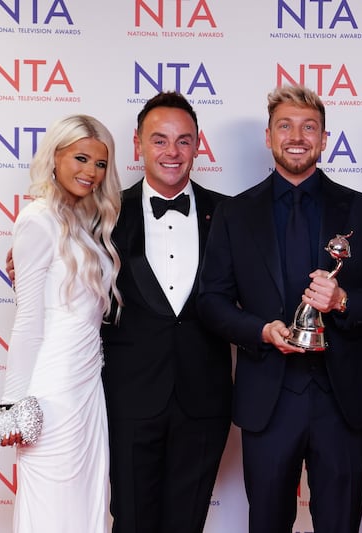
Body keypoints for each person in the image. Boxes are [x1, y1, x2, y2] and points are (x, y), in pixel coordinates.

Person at [197, 85, 362, 533]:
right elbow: (211, 301)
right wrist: (261, 331)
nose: (297, 136)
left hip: (340, 398)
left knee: (341, 524)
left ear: (325, 139)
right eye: (285, 126)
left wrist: (343, 300)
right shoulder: (233, 213)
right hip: (268, 396)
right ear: (268, 137)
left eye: (310, 127)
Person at [100, 91, 232, 532]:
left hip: (205, 399)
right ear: (138, 145)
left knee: (187, 523)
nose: (171, 152)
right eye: (159, 140)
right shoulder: (103, 214)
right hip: (129, 398)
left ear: (198, 145)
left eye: (183, 141)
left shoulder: (231, 215)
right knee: (132, 521)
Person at [0, 114, 123, 532]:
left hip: (88, 388)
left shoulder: (85, 224)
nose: (91, 172)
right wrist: (15, 409)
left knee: (85, 509)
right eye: (81, 158)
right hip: (51, 393)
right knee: (53, 510)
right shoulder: (37, 219)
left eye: (100, 164)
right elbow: (28, 321)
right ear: (55, 156)